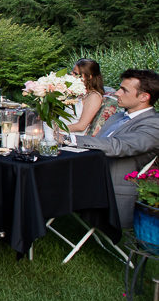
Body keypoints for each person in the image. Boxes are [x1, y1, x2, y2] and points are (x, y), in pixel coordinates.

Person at [57, 69, 159, 228]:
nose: (117, 93)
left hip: (109, 190)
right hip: (90, 176)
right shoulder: (118, 116)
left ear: (144, 97)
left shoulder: (154, 124)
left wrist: (70, 138)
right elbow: (98, 144)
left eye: (124, 90)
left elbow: (119, 146)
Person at [65, 59, 117, 135]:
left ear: (89, 77)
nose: (71, 75)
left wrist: (56, 129)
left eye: (75, 74)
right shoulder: (77, 92)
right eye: (72, 72)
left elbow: (81, 126)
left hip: (71, 134)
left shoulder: (93, 97)